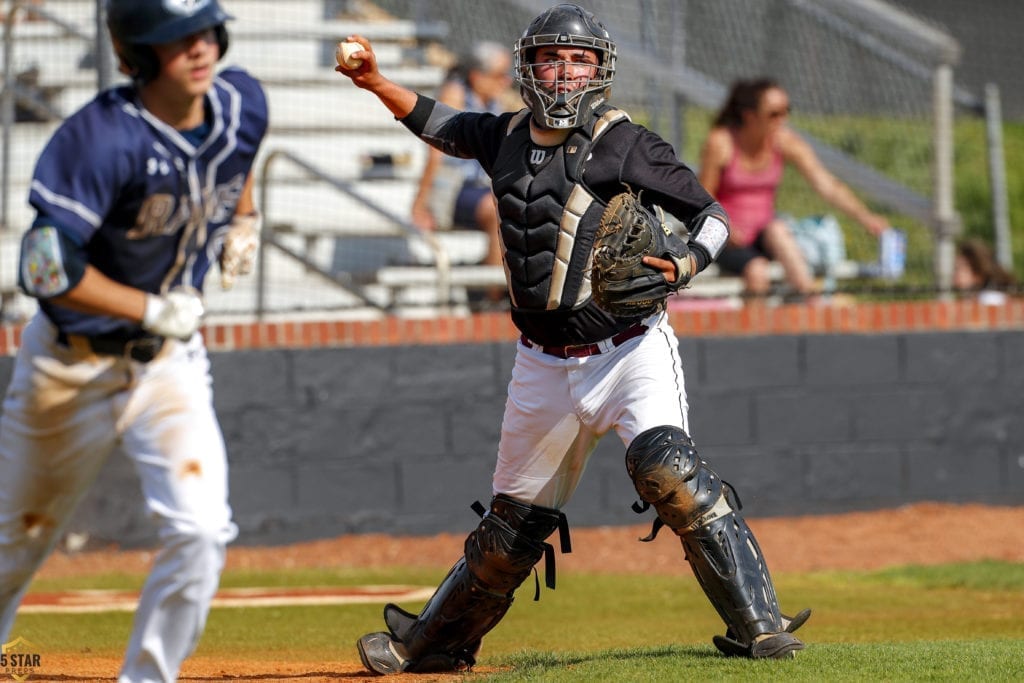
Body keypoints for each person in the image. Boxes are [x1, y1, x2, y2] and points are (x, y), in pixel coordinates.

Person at [336, 4, 808, 674]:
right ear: (528, 68)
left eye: (578, 59)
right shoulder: (502, 135)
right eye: (551, 58)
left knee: (668, 470)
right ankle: (432, 645)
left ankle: (760, 626)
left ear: (600, 70)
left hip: (629, 349)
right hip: (541, 363)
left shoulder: (625, 143)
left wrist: (685, 263)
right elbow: (439, 125)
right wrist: (375, 81)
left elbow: (712, 216)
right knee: (510, 532)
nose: (564, 71)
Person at [0, 1, 267, 681]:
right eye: (177, 40)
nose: (199, 48)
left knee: (202, 531)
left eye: (205, 30)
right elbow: (42, 269)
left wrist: (245, 216)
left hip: (169, 367)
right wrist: (151, 306)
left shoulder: (241, 101)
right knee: (12, 546)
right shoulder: (100, 138)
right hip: (69, 369)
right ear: (138, 55)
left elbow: (241, 153)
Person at [698, 78, 890, 299]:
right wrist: (727, 227)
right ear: (749, 116)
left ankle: (809, 303)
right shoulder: (721, 142)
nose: (783, 120)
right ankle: (753, 332)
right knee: (757, 271)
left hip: (763, 233)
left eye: (786, 111)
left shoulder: (783, 141)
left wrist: (867, 218)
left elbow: (826, 184)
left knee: (779, 231)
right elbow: (704, 196)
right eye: (774, 114)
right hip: (726, 236)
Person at [409, 41, 514, 271]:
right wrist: (420, 205)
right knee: (498, 207)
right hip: (454, 189)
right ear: (477, 76)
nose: (507, 81)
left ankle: (492, 286)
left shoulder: (496, 101)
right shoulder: (455, 93)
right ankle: (492, 296)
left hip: (481, 187)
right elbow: (435, 152)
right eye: (500, 75)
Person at [953, 237, 1016, 305]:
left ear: (977, 273)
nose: (954, 274)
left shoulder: (991, 300)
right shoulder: (972, 300)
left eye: (959, 268)